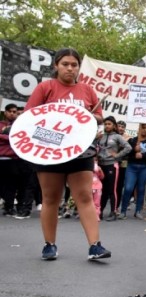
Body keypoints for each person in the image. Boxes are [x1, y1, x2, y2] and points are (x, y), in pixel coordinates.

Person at [24, 48, 111, 260]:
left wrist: (91, 117)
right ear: (56, 66)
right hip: (49, 152)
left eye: (74, 64)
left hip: (80, 152)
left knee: (84, 197)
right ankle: (49, 245)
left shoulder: (87, 90)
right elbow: (29, 116)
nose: (70, 68)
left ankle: (95, 246)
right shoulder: (46, 87)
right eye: (65, 64)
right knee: (51, 198)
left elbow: (99, 117)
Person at [1, 103, 35, 219]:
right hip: (6, 160)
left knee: (23, 185)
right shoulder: (1, 124)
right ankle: (8, 207)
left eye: (15, 112)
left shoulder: (21, 125)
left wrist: (10, 136)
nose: (12, 114)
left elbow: (27, 138)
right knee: (9, 185)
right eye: (10, 111)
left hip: (21, 159)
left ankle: (21, 208)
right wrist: (12, 137)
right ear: (5, 112)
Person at [118, 123, 146, 220]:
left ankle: (138, 211)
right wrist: (134, 151)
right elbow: (126, 155)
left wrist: (143, 156)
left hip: (144, 168)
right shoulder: (132, 140)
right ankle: (123, 211)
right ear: (139, 128)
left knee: (141, 189)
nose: (145, 130)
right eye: (143, 128)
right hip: (132, 167)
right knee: (128, 188)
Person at [97, 116, 131, 221]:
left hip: (112, 165)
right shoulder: (100, 136)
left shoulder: (117, 136)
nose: (107, 126)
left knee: (112, 189)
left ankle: (113, 212)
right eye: (105, 124)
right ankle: (100, 211)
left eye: (109, 124)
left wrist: (117, 156)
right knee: (102, 190)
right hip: (101, 165)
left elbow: (128, 147)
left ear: (113, 126)